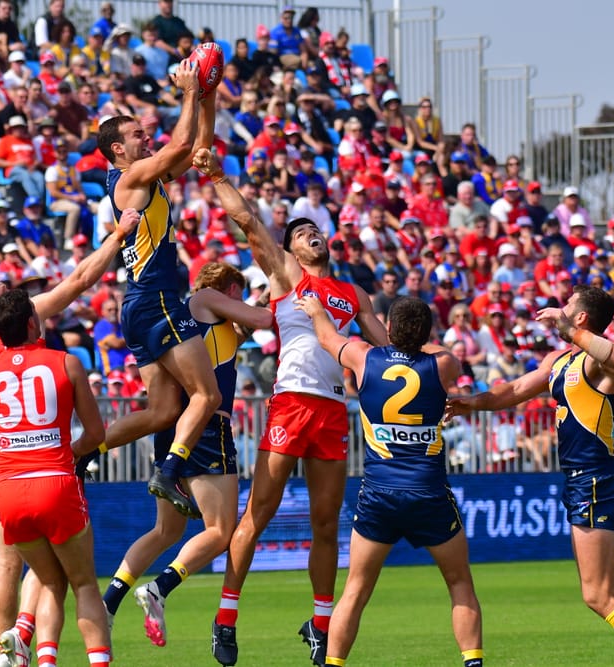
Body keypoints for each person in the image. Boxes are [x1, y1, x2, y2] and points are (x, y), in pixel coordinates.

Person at [447, 284, 614, 667]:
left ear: (580, 319)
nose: (559, 309)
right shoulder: (562, 360)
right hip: (586, 478)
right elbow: (511, 389)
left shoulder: (598, 361)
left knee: (597, 595)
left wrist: (569, 331)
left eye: (568, 306)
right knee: (606, 586)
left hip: (594, 476)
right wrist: (469, 404)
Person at [192, 146, 388, 666]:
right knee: (258, 513)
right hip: (291, 403)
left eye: (314, 230)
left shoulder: (354, 293)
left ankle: (322, 626)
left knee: (326, 525)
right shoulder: (284, 276)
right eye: (300, 232)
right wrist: (213, 173)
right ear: (289, 249)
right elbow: (246, 218)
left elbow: (384, 350)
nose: (311, 234)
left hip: (331, 411)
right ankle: (226, 619)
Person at [0, 206, 139, 667]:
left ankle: (11, 649)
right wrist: (118, 234)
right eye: (6, 293)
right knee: (77, 581)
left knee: (8, 563)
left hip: (6, 467)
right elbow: (78, 281)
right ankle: (59, 648)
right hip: (50, 464)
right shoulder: (47, 345)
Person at [296, 294, 484, 667]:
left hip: (379, 494)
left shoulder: (365, 358)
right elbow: (443, 353)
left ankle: (333, 665)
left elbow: (327, 338)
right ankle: (472, 663)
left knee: (356, 590)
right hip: (429, 492)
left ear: (390, 328)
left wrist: (317, 312)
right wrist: (414, 340)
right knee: (459, 583)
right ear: (426, 331)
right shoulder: (444, 364)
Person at [104, 262, 273, 648]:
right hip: (208, 429)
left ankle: (109, 601)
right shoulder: (207, 298)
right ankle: (160, 588)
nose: (241, 300)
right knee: (220, 531)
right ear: (230, 288)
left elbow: (246, 325)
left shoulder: (194, 315)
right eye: (240, 293)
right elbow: (261, 319)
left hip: (177, 430)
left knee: (167, 530)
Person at [96, 58, 222, 517]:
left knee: (163, 412)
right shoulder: (132, 177)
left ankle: (81, 451)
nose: (145, 138)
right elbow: (182, 142)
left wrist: (207, 97)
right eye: (136, 136)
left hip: (139, 304)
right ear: (116, 151)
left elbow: (198, 150)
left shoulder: (142, 177)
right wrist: (190, 90)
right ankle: (168, 472)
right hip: (159, 299)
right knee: (208, 396)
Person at [0, 288, 112, 667]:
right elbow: (97, 434)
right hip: (55, 481)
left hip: (10, 492)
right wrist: (70, 451)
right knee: (83, 583)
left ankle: (44, 660)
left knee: (50, 580)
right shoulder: (66, 363)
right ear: (33, 323)